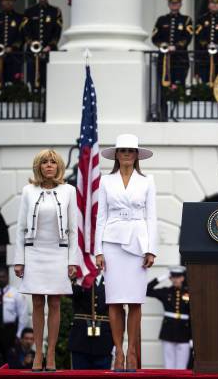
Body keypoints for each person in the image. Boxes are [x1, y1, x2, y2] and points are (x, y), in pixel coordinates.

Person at [94, 133, 157, 371]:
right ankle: (118, 353)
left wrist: (151, 249)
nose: (127, 154)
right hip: (112, 243)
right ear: (117, 155)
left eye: (131, 150)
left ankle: (132, 352)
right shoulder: (105, 181)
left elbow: (151, 216)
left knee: (135, 301)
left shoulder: (148, 180)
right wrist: (98, 250)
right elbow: (101, 217)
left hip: (138, 244)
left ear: (137, 155)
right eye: (123, 150)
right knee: (114, 301)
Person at [14, 149, 79, 371]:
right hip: (34, 252)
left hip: (58, 253)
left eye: (53, 162)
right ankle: (38, 354)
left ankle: (50, 354)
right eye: (45, 162)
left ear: (58, 166)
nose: (49, 165)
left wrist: (73, 261)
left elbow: (73, 230)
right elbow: (21, 228)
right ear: (38, 167)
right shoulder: (28, 191)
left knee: (55, 302)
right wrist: (19, 260)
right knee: (37, 302)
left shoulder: (69, 190)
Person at [147, 266, 192, 369]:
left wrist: (192, 337)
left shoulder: (189, 292)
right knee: (169, 365)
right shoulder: (165, 291)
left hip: (184, 333)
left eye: (178, 277)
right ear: (170, 278)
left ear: (182, 278)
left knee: (182, 367)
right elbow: (146, 290)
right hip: (168, 331)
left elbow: (193, 317)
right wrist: (162, 278)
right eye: (173, 277)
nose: (176, 279)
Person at [21, 0, 62, 89]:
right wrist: (33, 45)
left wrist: (50, 46)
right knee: (32, 79)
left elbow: (57, 31)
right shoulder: (29, 12)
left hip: (49, 51)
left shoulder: (55, 12)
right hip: (33, 52)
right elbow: (26, 30)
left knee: (49, 81)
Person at [69, 274, 113, 369]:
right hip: (80, 340)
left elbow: (118, 312)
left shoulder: (111, 279)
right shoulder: (81, 278)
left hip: (104, 342)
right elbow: (72, 294)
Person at [151, 0, 193, 88]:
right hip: (164, 60)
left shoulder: (186, 20)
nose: (174, 4)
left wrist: (176, 46)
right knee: (163, 88)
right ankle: (163, 104)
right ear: (168, 4)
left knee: (179, 87)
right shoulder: (161, 19)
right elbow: (155, 37)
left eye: (177, 2)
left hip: (180, 59)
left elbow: (187, 37)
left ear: (180, 4)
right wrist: (163, 45)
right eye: (172, 2)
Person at [0, 267, 28, 360]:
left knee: (9, 357)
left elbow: (23, 314)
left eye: (3, 277)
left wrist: (19, 334)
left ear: (8, 278)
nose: (1, 279)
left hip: (9, 331)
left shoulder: (16, 293)